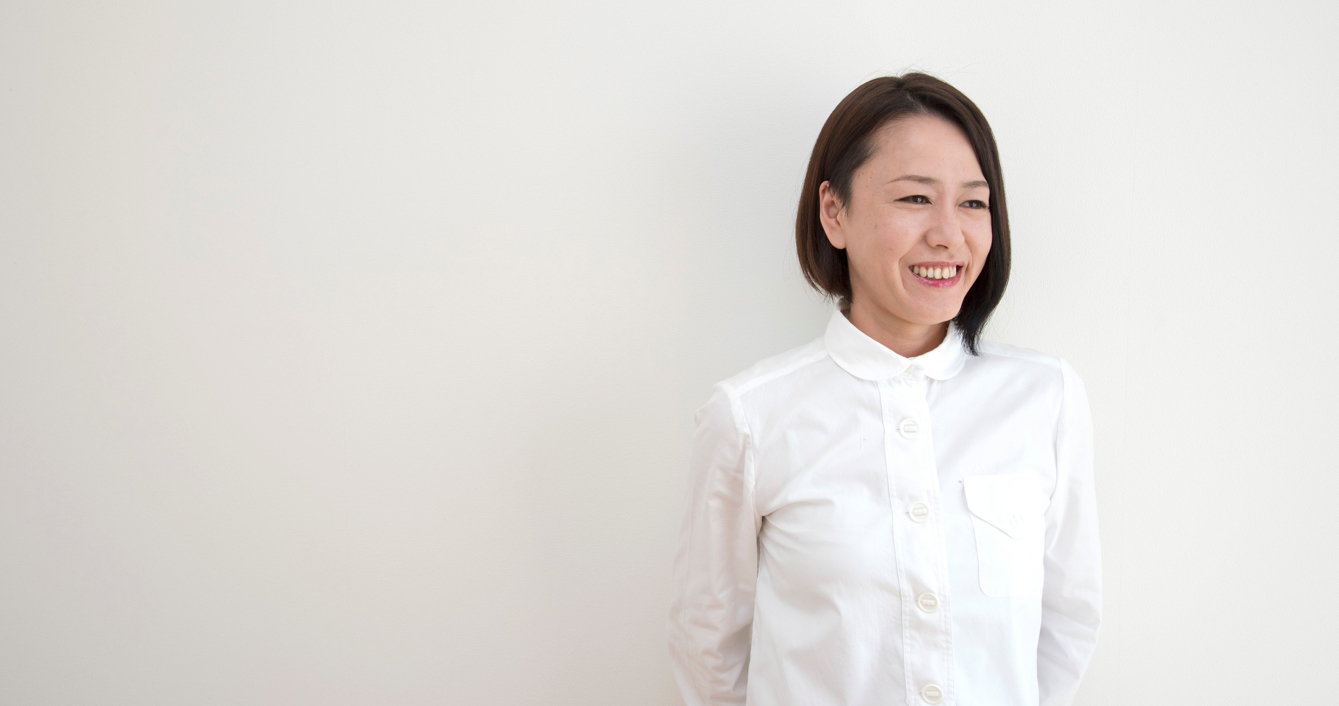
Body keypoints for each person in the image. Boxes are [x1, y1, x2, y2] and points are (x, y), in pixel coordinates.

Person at [667, 74, 1101, 706]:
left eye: (973, 203)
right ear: (834, 212)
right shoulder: (751, 418)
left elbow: (1067, 619)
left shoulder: (1045, 398)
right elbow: (709, 647)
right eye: (916, 198)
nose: (949, 234)